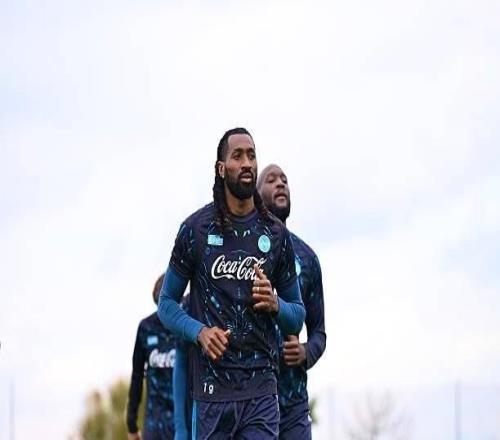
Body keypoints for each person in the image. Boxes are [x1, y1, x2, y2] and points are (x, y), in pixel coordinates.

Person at [158, 127, 305, 439]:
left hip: (262, 392)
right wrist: (199, 332)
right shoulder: (195, 230)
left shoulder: (276, 234)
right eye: (237, 156)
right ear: (221, 168)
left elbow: (297, 317)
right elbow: (166, 304)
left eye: (251, 155)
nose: (247, 163)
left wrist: (276, 304)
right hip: (211, 394)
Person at [257, 164, 327, 440]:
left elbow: (319, 332)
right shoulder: (240, 250)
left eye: (284, 180)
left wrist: (305, 352)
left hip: (293, 404)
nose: (280, 184)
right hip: (251, 403)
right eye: (271, 180)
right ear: (255, 194)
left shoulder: (307, 258)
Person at [126, 274, 177, 440]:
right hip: (155, 423)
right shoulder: (146, 328)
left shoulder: (188, 329)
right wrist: (131, 424)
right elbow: (137, 376)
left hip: (184, 420)